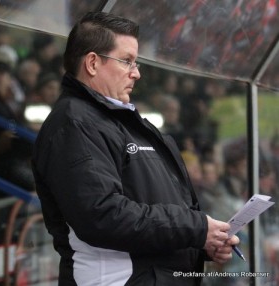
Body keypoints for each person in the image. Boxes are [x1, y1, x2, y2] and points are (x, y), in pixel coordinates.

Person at [32, 12, 239, 286]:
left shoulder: (121, 120)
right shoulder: (73, 123)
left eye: (136, 62)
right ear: (93, 63)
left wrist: (202, 242)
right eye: (126, 61)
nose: (137, 73)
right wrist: (197, 228)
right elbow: (103, 214)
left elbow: (157, 207)